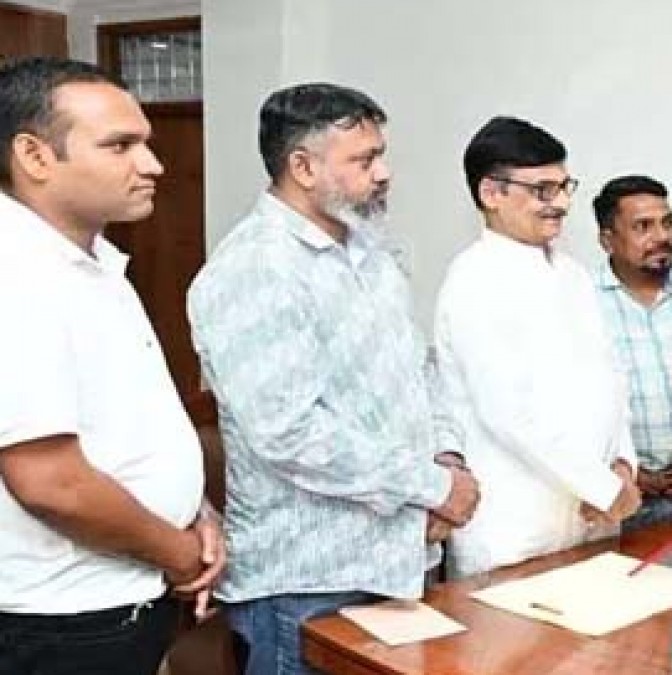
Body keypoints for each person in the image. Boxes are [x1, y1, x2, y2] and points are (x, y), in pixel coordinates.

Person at [186, 83, 479, 675]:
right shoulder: (254, 268)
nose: (384, 173)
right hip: (306, 580)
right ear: (303, 167)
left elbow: (419, 370)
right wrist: (429, 487)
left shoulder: (371, 251)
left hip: (397, 561)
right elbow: (289, 433)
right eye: (364, 160)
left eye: (380, 155)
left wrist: (447, 458)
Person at [0, 56, 223, 675]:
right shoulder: (17, 276)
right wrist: (178, 551)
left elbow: (130, 426)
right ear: (35, 156)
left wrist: (197, 512)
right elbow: (50, 480)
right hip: (63, 618)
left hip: (122, 593)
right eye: (120, 146)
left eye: (145, 143)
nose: (152, 165)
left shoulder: (93, 261)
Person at [437, 116, 641, 577]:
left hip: (594, 516)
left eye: (565, 187)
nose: (562, 203)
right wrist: (601, 486)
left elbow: (612, 380)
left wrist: (623, 466)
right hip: (516, 525)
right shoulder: (474, 279)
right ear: (492, 193)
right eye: (543, 190)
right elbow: (507, 412)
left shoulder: (574, 275)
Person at [591, 175, 672, 531]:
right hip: (611, 489)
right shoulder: (582, 299)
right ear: (607, 240)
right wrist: (623, 468)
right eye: (643, 227)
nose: (662, 236)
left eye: (667, 223)